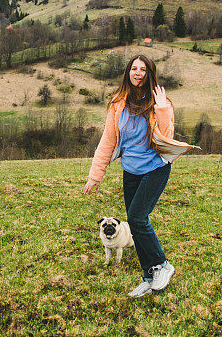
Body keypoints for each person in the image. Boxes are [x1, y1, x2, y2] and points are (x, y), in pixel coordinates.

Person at [82, 54, 198, 297]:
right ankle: (148, 276)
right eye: (134, 68)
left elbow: (166, 135)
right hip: (131, 170)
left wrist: (163, 108)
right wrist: (96, 173)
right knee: (135, 223)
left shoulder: (159, 102)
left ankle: (162, 265)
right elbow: (108, 140)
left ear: (149, 74)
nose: (138, 73)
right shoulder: (118, 103)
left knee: (137, 217)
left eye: (143, 69)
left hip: (155, 167)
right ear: (128, 73)